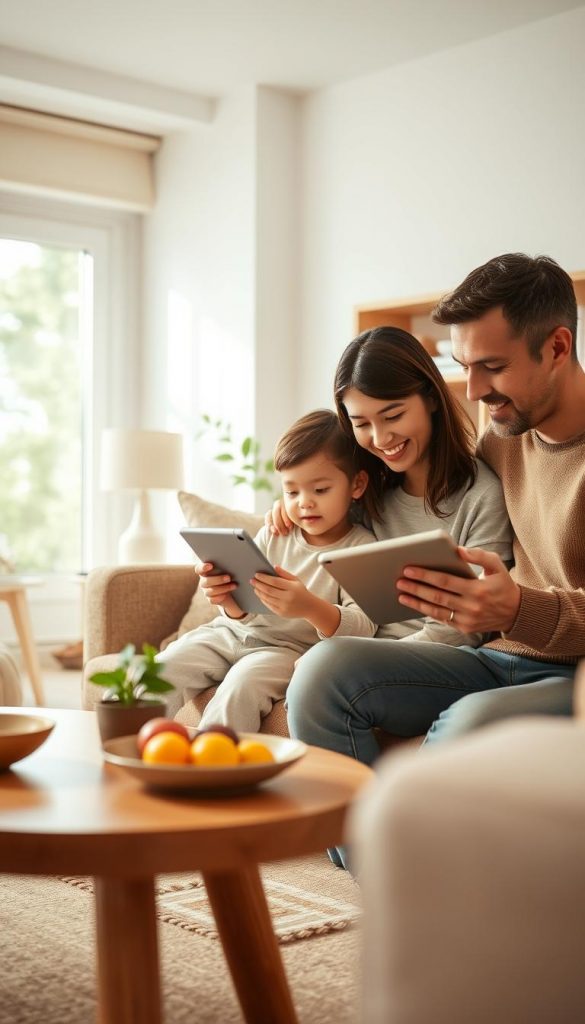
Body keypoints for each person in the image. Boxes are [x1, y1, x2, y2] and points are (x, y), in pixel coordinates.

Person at [282, 254, 583, 835]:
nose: (472, 390)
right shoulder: (505, 434)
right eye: (464, 366)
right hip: (497, 655)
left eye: (492, 366)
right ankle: (376, 870)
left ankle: (417, 876)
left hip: (570, 670)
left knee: (468, 725)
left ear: (557, 347)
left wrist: (520, 608)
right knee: (321, 671)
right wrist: (293, 510)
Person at [156, 409, 376, 730]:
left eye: (320, 490)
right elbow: (248, 611)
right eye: (291, 491)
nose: (304, 502)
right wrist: (229, 602)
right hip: (232, 634)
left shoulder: (360, 549)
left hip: (286, 651)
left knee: (240, 688)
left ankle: (216, 767)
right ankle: (127, 749)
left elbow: (363, 628)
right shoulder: (276, 532)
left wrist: (310, 607)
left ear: (356, 485)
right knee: (163, 668)